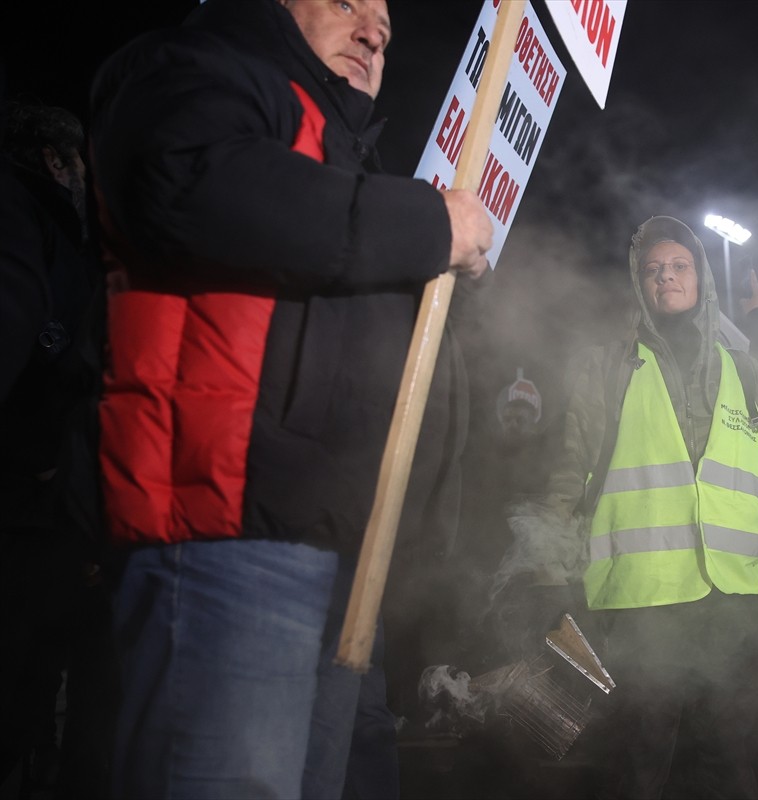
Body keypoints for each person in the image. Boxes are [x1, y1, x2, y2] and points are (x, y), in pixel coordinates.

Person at [86, 0, 493, 797]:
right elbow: (192, 183)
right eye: (346, 1)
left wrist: (439, 265)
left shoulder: (341, 156)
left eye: (384, 18)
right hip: (227, 535)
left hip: (330, 543)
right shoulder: (198, 69)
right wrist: (421, 223)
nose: (374, 30)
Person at [527, 216, 758, 799]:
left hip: (735, 601)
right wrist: (550, 576)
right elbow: (571, 473)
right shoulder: (608, 366)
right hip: (643, 605)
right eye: (653, 270)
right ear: (638, 284)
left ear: (701, 280)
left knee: (730, 762)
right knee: (640, 767)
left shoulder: (745, 371)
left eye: (679, 267)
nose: (665, 278)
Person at [1, 93, 112, 798]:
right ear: (55, 160)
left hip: (46, 503)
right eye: (81, 166)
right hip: (27, 503)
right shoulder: (22, 218)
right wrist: (37, 452)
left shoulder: (65, 239)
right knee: (18, 681)